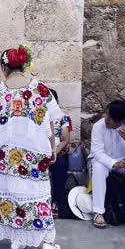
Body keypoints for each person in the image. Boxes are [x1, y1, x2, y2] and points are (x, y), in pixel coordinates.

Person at [0, 45, 63, 249]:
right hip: (34, 157)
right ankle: (46, 242)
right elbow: (52, 123)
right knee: (38, 198)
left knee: (11, 196)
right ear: (25, 65)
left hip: (5, 157)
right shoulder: (41, 89)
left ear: (3, 67)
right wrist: (52, 148)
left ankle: (16, 241)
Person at [89, 100, 125, 229]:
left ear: (121, 121)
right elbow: (97, 152)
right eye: (106, 115)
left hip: (124, 162)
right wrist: (114, 163)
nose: (106, 119)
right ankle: (98, 212)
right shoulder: (99, 126)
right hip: (104, 162)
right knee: (98, 167)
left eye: (110, 118)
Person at [48, 89, 72, 218]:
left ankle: (56, 202)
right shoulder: (36, 117)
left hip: (57, 152)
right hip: (39, 153)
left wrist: (54, 153)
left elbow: (65, 140)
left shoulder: (63, 117)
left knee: (60, 166)